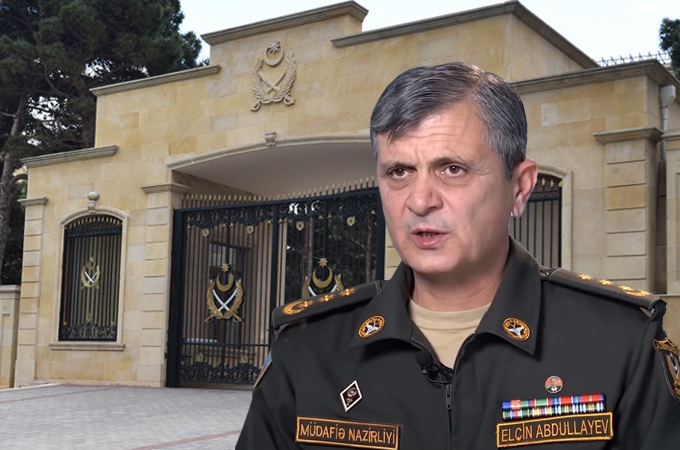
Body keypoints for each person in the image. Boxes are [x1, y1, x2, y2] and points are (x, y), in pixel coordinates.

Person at [236, 62, 680, 449]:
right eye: (399, 171)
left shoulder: (620, 343)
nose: (419, 201)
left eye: (452, 169)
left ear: (519, 188)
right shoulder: (306, 348)